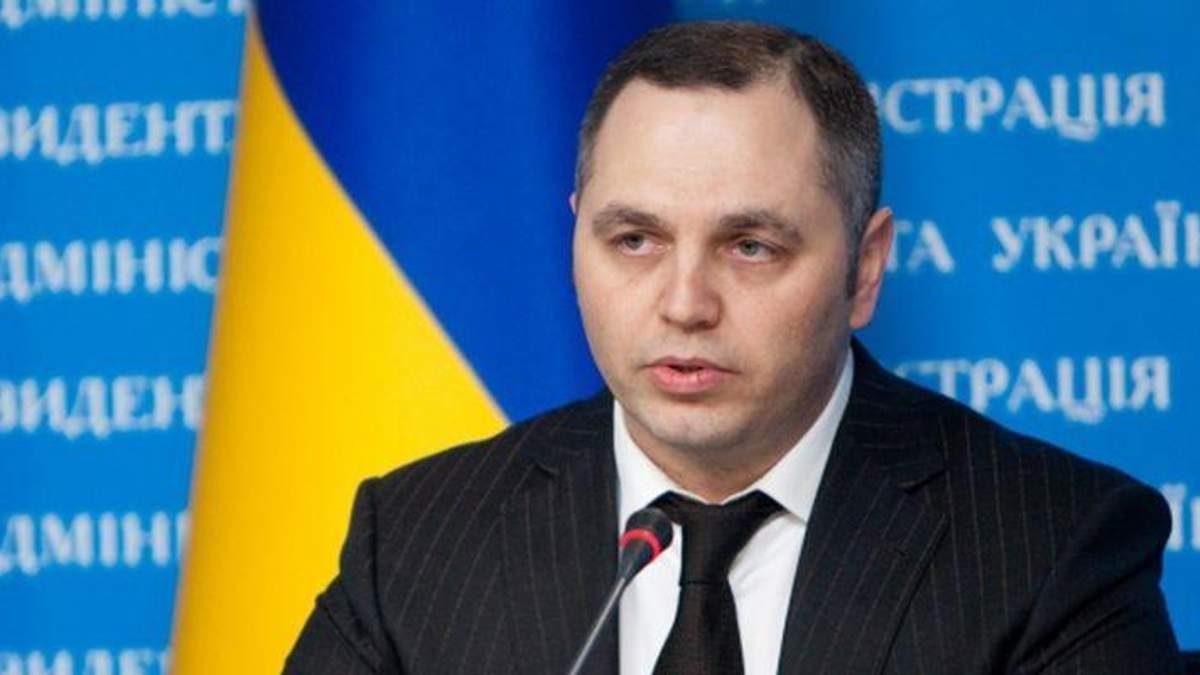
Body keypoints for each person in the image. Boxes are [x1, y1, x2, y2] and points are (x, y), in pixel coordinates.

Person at [285, 21, 1183, 674]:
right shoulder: (416, 542)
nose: (685, 304)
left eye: (750, 246)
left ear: (865, 268)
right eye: (634, 239)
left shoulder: (1051, 548)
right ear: (575, 236)